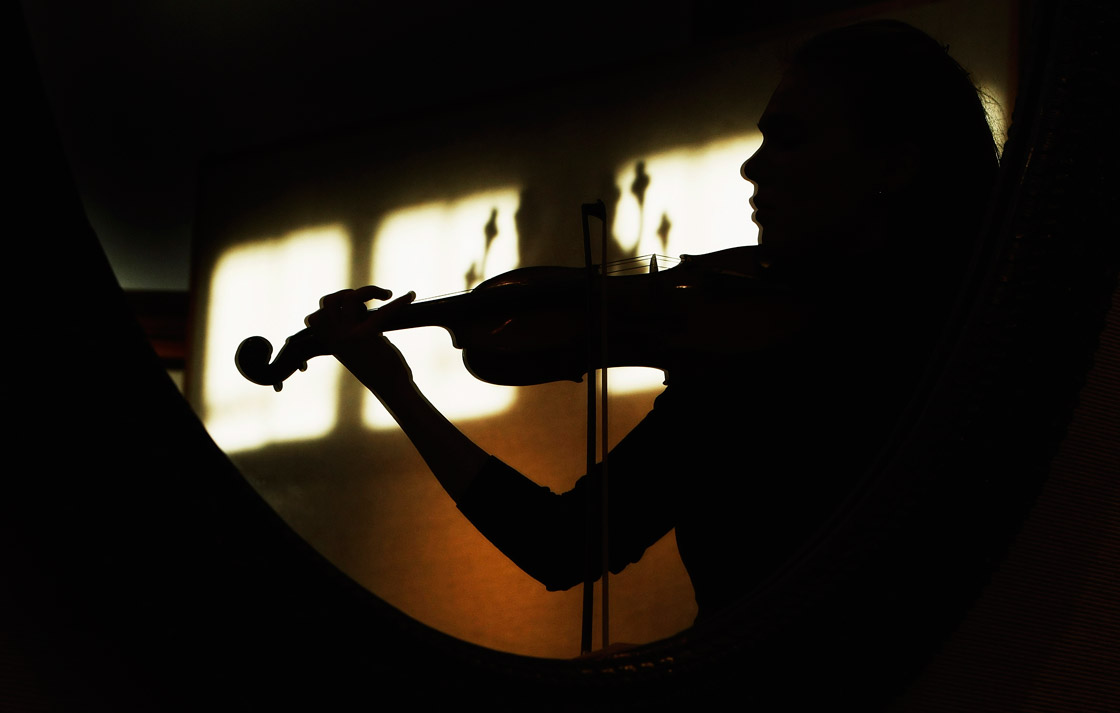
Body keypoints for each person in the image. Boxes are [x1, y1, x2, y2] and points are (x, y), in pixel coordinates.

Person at [304, 20, 1000, 620]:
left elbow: (561, 543)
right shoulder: (980, 334)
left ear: (895, 165)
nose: (752, 167)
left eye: (788, 139)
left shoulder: (757, 363)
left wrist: (395, 388)